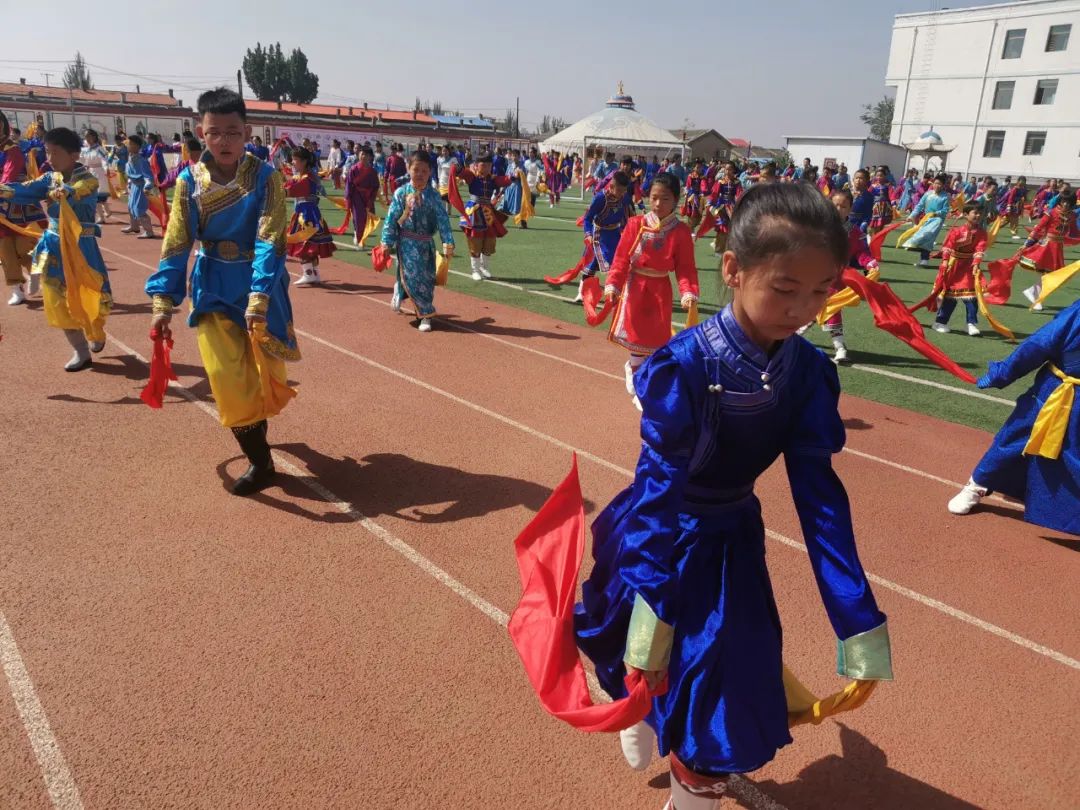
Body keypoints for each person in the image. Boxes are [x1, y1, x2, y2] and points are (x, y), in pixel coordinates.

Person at [576, 181, 893, 810]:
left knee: (723, 693)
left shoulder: (808, 373)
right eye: (785, 288)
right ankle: (642, 709)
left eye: (821, 291)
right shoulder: (683, 366)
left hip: (733, 544)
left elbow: (821, 503)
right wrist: (652, 617)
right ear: (733, 269)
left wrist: (858, 621)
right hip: (660, 538)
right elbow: (660, 488)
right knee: (643, 658)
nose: (802, 309)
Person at [146, 87, 297, 497]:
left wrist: (259, 295)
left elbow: (270, 238)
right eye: (214, 133)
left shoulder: (266, 178)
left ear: (247, 132)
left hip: (260, 284)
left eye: (232, 132)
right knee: (227, 379)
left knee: (267, 375)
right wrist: (163, 301)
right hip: (212, 284)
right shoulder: (188, 183)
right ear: (201, 133)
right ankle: (260, 460)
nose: (224, 141)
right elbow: (177, 242)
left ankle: (256, 431)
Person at [948, 298, 1080, 536]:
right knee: (1015, 437)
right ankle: (976, 485)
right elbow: (1039, 344)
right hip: (1053, 393)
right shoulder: (1078, 313)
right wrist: (1001, 374)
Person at [0, 127, 113, 370]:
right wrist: (3, 190)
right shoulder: (49, 179)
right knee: (55, 297)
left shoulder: (88, 179)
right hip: (53, 246)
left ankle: (95, 331)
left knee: (90, 294)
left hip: (81, 248)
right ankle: (80, 351)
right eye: (47, 152)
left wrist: (67, 191)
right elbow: (25, 189)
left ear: (74, 155)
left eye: (54, 153)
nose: (49, 158)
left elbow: (81, 188)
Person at [604, 172, 698, 404]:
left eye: (665, 199)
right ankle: (637, 377)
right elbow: (621, 258)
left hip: (660, 289)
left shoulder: (681, 231)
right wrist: (613, 284)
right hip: (635, 286)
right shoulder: (635, 224)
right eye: (654, 198)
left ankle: (642, 376)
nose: (658, 204)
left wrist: (688, 291)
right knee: (636, 333)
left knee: (657, 337)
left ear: (675, 200)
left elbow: (685, 267)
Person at [381, 151, 455, 333]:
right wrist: (386, 242)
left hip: (427, 244)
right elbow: (391, 218)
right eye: (416, 170)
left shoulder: (434, 196)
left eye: (424, 171)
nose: (420, 174)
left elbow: (443, 220)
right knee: (414, 275)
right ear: (408, 169)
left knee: (427, 279)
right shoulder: (401, 193)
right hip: (406, 243)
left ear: (430, 172)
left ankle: (400, 289)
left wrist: (448, 242)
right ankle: (425, 314)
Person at [0, 112, 47, 306]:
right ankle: (16, 288)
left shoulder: (13, 149)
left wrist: (2, 188)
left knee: (24, 245)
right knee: (4, 249)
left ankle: (38, 275)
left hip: (18, 202)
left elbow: (10, 173)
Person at [924, 204, 988, 336]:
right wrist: (945, 261)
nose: (978, 215)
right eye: (975, 213)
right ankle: (940, 322)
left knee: (971, 297)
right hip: (954, 266)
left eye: (979, 213)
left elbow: (980, 249)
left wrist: (976, 264)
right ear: (966, 215)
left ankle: (971, 324)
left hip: (969, 266)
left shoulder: (982, 233)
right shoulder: (956, 231)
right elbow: (947, 247)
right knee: (950, 297)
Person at [452, 152, 512, 281]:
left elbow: (504, 180)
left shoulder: (492, 179)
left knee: (490, 240)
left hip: (488, 212)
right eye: (483, 165)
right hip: (474, 211)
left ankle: (485, 267)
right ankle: (475, 270)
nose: (487, 168)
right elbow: (463, 173)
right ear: (477, 165)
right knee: (475, 240)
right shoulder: (472, 176)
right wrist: (458, 168)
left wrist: (514, 176)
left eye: (489, 165)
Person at [577, 170, 635, 301]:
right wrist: (588, 234)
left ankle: (617, 293)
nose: (622, 194)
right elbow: (588, 218)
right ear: (612, 186)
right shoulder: (600, 198)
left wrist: (628, 232)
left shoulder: (624, 197)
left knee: (619, 263)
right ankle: (582, 293)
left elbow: (627, 216)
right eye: (619, 190)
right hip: (599, 235)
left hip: (615, 234)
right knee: (591, 264)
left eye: (624, 191)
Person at [284, 146, 336, 286]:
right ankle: (314, 273)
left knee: (303, 243)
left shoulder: (308, 178)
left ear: (304, 161)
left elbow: (293, 189)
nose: (292, 162)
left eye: (295, 160)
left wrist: (281, 191)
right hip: (308, 212)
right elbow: (289, 184)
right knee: (310, 244)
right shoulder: (302, 176)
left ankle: (308, 274)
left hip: (306, 215)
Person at [1018, 190, 1078, 309]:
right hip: (1047, 246)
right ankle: (1037, 298)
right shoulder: (1051, 212)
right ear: (1060, 201)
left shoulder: (1072, 215)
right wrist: (1028, 243)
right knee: (1046, 273)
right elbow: (1039, 228)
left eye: (1068, 202)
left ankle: (1034, 293)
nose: (1065, 204)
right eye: (1063, 201)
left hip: (1058, 247)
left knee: (1054, 275)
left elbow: (1075, 231)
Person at [901, 174, 950, 266]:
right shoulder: (928, 194)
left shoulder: (945, 196)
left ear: (943, 185)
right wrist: (911, 216)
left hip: (937, 220)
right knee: (926, 237)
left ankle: (919, 253)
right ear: (933, 183)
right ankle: (923, 259)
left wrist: (936, 213)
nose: (937, 185)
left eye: (939, 184)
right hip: (925, 219)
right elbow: (919, 206)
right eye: (936, 183)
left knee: (928, 236)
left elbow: (945, 210)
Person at [703, 161, 742, 256]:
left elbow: (739, 194)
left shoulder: (737, 182)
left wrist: (741, 202)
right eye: (726, 169)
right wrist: (710, 203)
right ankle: (719, 249)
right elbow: (715, 193)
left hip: (732, 206)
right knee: (722, 227)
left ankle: (727, 247)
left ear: (733, 170)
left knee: (732, 227)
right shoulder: (720, 181)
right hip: (721, 207)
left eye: (730, 169)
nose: (727, 171)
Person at [122, 134, 157, 238]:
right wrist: (129, 183)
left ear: (136, 146)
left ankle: (149, 231)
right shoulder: (130, 158)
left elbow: (148, 176)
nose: (128, 146)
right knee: (131, 206)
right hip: (133, 186)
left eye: (130, 144)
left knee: (139, 208)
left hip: (140, 187)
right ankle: (134, 226)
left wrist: (147, 187)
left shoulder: (141, 160)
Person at [345, 146, 380, 248]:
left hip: (368, 197)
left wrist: (371, 200)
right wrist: (348, 198)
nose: (364, 156)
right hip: (356, 196)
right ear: (359, 155)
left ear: (370, 157)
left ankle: (358, 232)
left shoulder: (373, 171)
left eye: (367, 155)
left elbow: (375, 187)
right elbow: (349, 184)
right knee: (358, 217)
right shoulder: (354, 169)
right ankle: (359, 239)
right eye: (362, 154)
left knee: (367, 219)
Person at [80, 129, 112, 225]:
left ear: (94, 137)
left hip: (99, 173)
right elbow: (82, 160)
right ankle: (106, 213)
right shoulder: (85, 150)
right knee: (95, 197)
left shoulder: (99, 149)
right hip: (90, 173)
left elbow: (104, 160)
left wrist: (106, 168)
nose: (87, 139)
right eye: (86, 137)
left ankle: (103, 216)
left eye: (89, 136)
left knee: (99, 196)